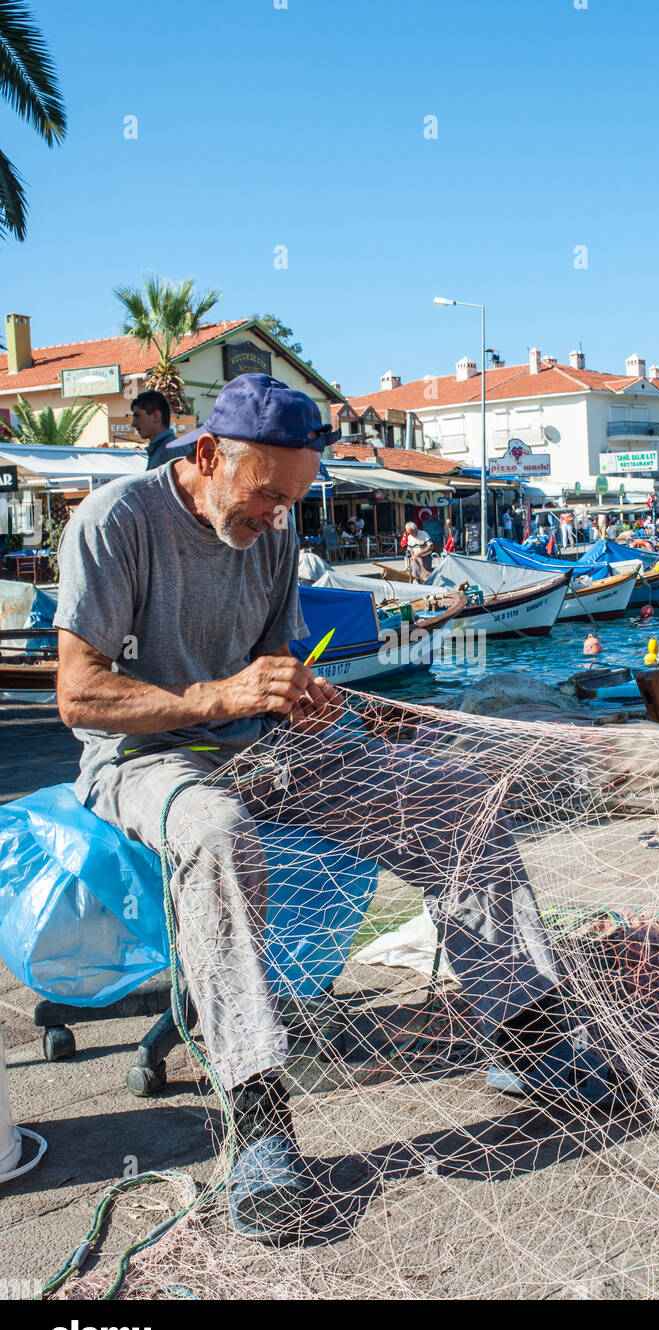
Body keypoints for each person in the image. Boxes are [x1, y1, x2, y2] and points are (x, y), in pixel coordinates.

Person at [54, 373, 585, 1242]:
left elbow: (265, 673)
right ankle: (258, 1121)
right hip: (144, 757)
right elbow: (79, 697)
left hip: (254, 744)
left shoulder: (271, 527)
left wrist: (298, 697)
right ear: (207, 455)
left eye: (290, 501)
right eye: (264, 495)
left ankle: (528, 1037)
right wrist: (222, 698)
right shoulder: (117, 521)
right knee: (217, 833)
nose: (275, 519)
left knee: (453, 799)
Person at [133, 391, 176, 471]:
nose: (133, 423)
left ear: (156, 416)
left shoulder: (172, 450)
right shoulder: (161, 450)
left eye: (137, 416)